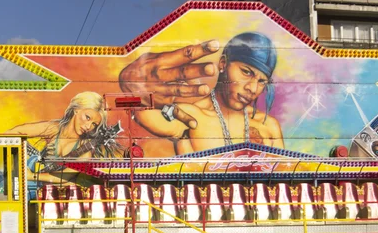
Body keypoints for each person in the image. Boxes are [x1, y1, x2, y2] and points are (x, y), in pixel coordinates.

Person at [119, 32, 284, 155]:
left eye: (262, 81)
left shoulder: (269, 126)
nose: (253, 88)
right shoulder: (190, 116)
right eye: (246, 72)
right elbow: (142, 115)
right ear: (223, 63)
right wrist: (133, 85)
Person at [4, 91, 121, 184]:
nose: (88, 126)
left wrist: (32, 176)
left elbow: (65, 178)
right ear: (76, 110)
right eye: (87, 117)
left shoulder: (86, 151)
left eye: (94, 124)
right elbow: (11, 133)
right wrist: (20, 161)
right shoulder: (53, 129)